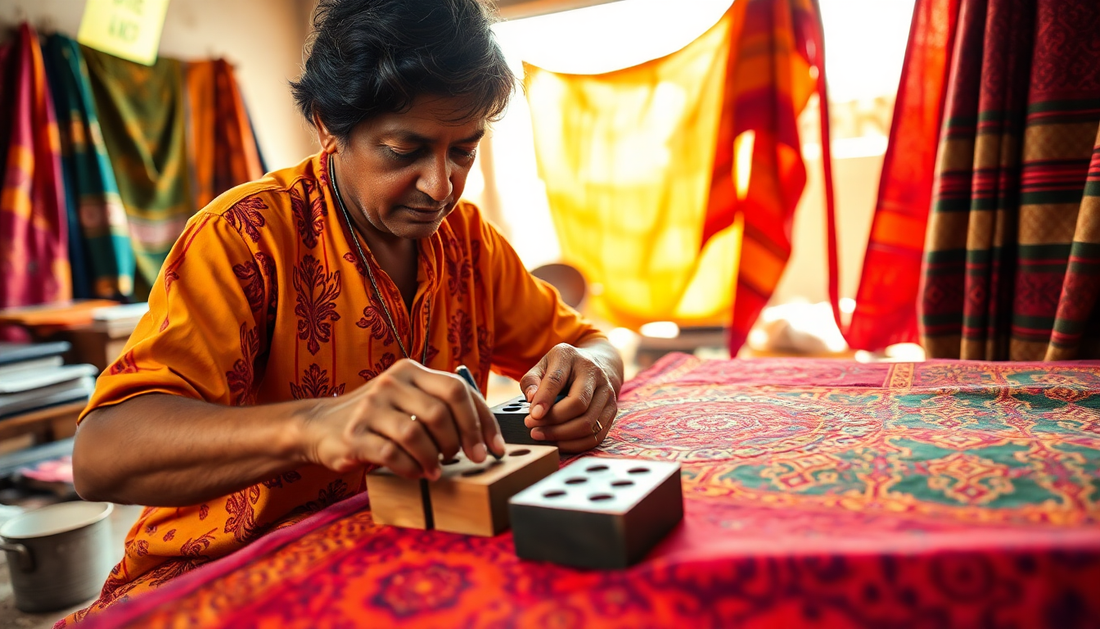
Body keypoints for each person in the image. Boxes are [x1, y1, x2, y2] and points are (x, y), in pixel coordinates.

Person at [60, 0, 623, 622]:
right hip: (230, 565)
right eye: (404, 149)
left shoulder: (467, 241)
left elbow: (590, 342)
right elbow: (100, 456)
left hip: (408, 551)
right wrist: (315, 425)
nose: (441, 186)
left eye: (463, 150)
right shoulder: (246, 237)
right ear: (329, 125)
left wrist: (589, 377)